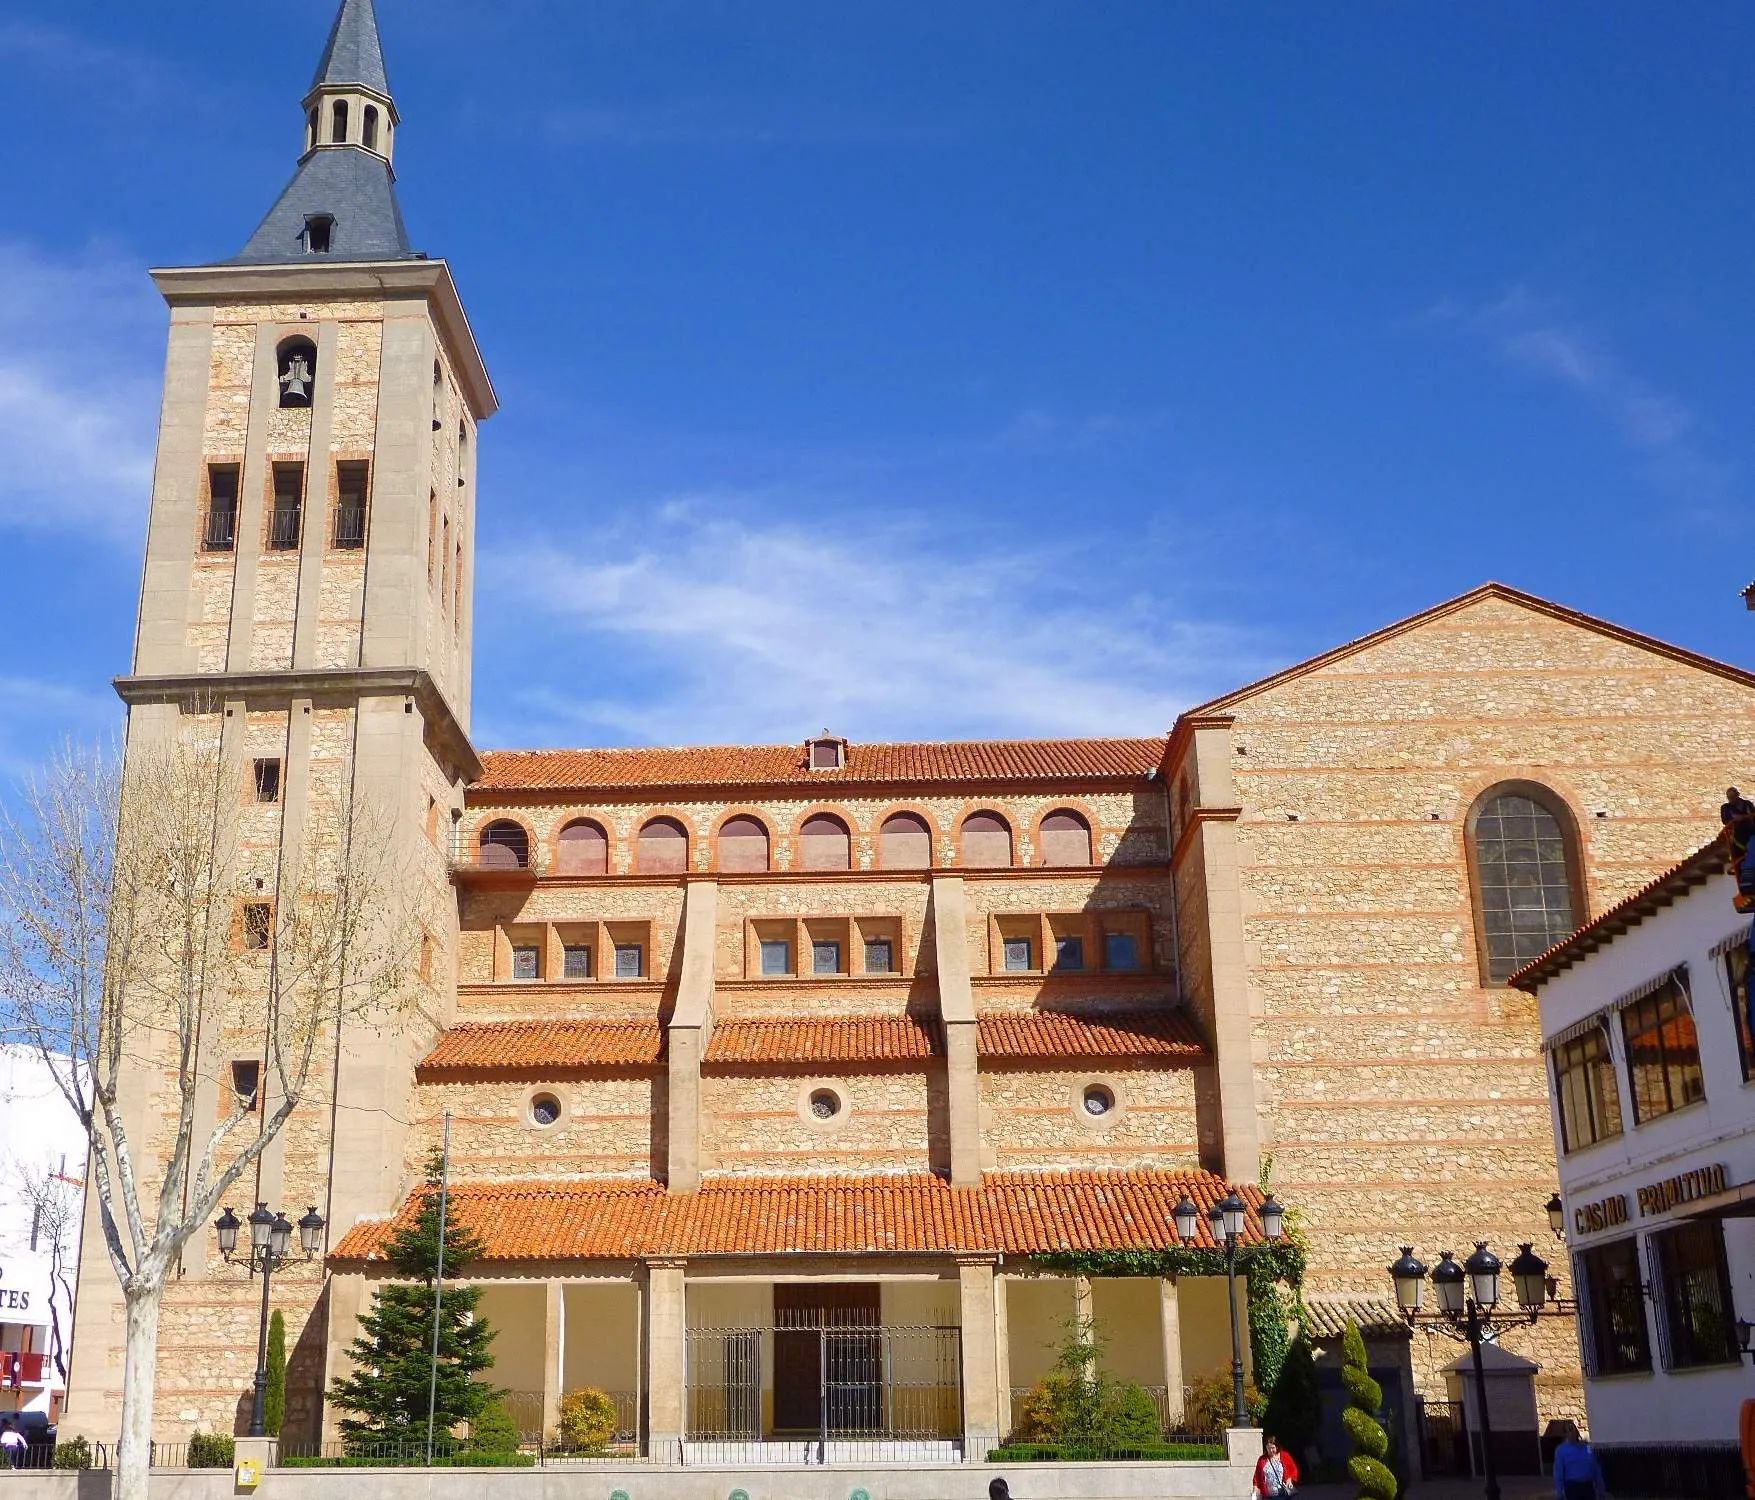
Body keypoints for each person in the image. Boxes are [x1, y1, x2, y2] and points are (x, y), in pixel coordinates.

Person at [1551, 1420, 1605, 1500]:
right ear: (1565, 1434)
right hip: (1572, 1487)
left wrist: (1601, 1489)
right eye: (1569, 1429)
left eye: (1574, 1428)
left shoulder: (1587, 1447)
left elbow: (1596, 1468)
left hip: (1588, 1486)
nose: (1573, 1432)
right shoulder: (1561, 1450)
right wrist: (1560, 1492)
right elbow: (1558, 1472)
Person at [1252, 1433, 1298, 1498]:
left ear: (1277, 1446)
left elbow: (1293, 1469)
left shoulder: (1285, 1455)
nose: (1271, 1450)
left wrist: (1289, 1479)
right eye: (1268, 1448)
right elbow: (1257, 1476)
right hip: (1269, 1495)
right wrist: (1255, 1490)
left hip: (1284, 1493)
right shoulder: (1262, 1459)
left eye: (1273, 1448)